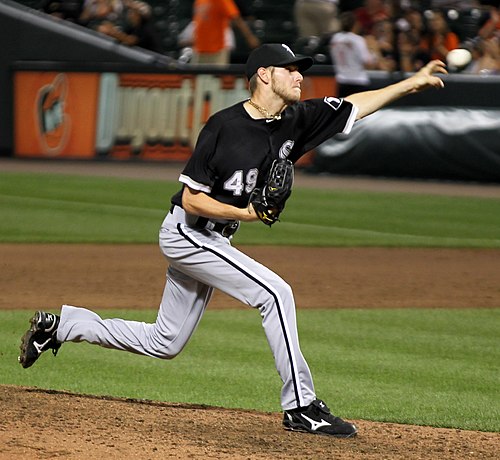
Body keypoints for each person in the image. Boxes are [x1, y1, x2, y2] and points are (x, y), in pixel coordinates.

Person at [19, 43, 446, 438]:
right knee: (276, 293)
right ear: (264, 74)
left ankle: (62, 327)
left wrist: (413, 81)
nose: (300, 76)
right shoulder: (224, 127)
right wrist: (246, 214)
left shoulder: (296, 120)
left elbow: (354, 106)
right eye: (292, 69)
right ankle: (301, 406)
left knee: (164, 343)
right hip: (188, 233)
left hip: (210, 240)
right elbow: (192, 198)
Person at [191, 0, 260, 65]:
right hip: (199, 49)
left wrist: (249, 37)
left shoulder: (223, 1)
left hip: (216, 50)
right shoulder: (199, 1)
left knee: (217, 76)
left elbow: (237, 18)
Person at [330, 11, 379, 97]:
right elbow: (368, 63)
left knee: (342, 109)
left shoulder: (335, 39)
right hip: (358, 82)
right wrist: (374, 51)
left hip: (342, 82)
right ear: (355, 24)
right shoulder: (357, 40)